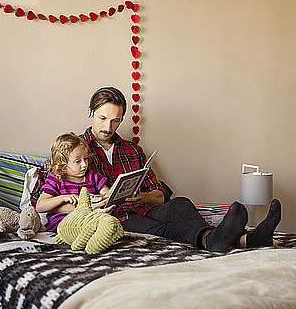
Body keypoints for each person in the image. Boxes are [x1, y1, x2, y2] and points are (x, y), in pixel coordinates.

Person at [72, 86, 282, 252]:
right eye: (102, 118)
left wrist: (143, 197)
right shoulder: (75, 151)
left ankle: (239, 239)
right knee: (163, 230)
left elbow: (160, 195)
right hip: (114, 218)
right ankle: (242, 239)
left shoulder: (133, 151)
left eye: (115, 121)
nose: (108, 127)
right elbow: (48, 197)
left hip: (145, 209)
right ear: (91, 112)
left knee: (180, 204)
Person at [36, 133, 113, 232]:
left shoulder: (93, 176)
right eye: (77, 161)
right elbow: (40, 206)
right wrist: (63, 198)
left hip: (90, 219)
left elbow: (109, 195)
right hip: (64, 223)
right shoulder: (56, 179)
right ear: (62, 163)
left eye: (85, 159)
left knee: (106, 221)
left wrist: (95, 198)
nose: (84, 165)